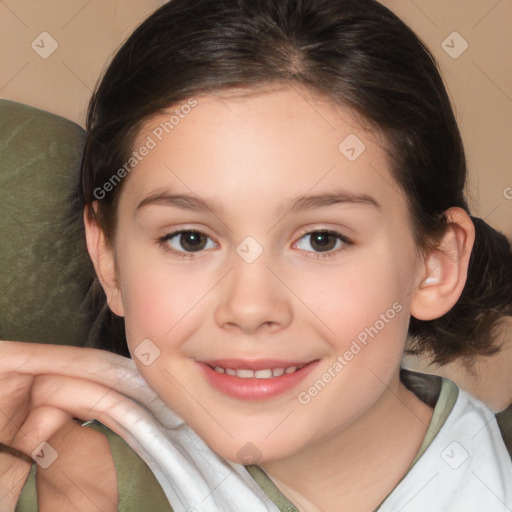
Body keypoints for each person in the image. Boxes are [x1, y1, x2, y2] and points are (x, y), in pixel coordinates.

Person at [1, 0, 512, 510]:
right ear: (109, 259)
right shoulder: (66, 485)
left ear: (435, 266)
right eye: (190, 239)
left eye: (322, 240)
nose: (249, 308)